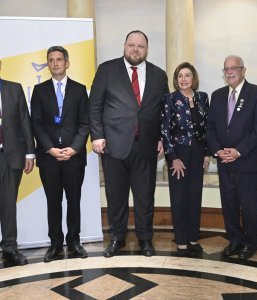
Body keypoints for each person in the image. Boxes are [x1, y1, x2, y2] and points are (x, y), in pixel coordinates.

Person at [89, 30, 169, 258]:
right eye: (131, 45)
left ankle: (145, 239)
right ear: (124, 47)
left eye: (140, 46)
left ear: (147, 49)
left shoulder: (158, 74)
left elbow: (165, 111)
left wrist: (163, 138)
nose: (136, 49)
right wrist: (97, 136)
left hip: (146, 146)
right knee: (116, 196)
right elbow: (94, 105)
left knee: (145, 196)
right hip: (113, 145)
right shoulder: (106, 70)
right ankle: (117, 238)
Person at [207, 55, 257, 260]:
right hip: (225, 162)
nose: (230, 71)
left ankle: (251, 243)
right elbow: (211, 127)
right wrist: (218, 151)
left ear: (244, 70)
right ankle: (235, 240)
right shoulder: (216, 96)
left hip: (248, 161)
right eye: (226, 69)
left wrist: (238, 151)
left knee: (250, 206)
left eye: (234, 68)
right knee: (230, 205)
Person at [31, 46, 89, 262]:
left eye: (59, 59)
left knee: (74, 201)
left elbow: (85, 123)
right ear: (48, 64)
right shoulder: (39, 91)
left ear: (67, 63)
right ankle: (55, 244)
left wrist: (74, 148)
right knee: (53, 202)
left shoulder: (80, 89)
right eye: (51, 60)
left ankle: (74, 242)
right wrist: (51, 149)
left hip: (74, 157)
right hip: (49, 158)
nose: (55, 63)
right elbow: (36, 124)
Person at [161, 62, 209, 257]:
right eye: (180, 76)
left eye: (187, 75)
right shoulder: (170, 99)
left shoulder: (203, 98)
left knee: (194, 196)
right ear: (176, 79)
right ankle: (181, 241)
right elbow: (164, 130)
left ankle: (192, 239)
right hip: (178, 154)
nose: (183, 79)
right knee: (179, 198)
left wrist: (207, 153)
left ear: (193, 78)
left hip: (198, 153)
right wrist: (173, 158)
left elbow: (207, 128)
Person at [0, 60, 35, 265]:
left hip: (11, 155)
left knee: (8, 204)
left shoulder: (14, 89)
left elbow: (24, 120)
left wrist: (30, 153)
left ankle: (10, 248)